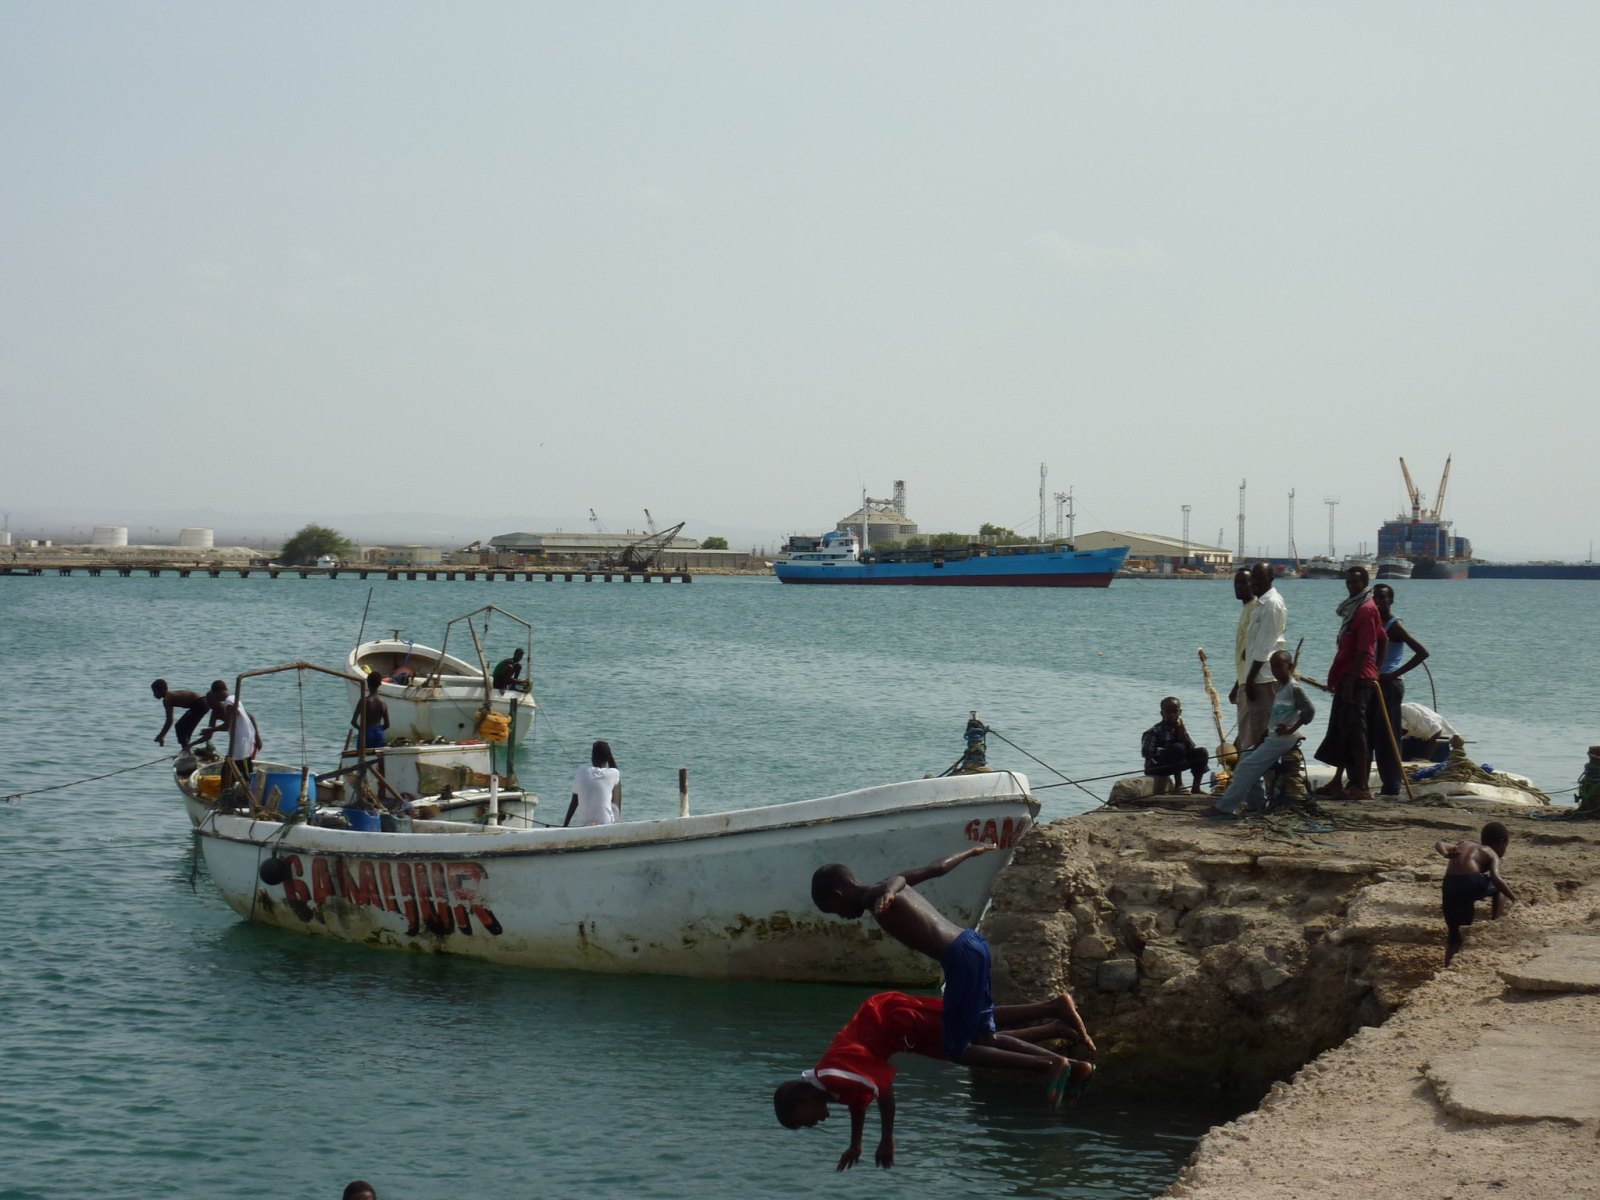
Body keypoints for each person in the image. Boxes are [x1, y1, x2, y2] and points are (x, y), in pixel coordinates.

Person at [809, 847, 1091, 1103]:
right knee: (984, 1036)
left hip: (958, 956)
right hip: (974, 943)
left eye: (834, 911)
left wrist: (891, 893)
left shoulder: (876, 896)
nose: (842, 916)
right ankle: (1071, 1061)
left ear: (838, 896)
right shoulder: (881, 887)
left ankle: (1049, 1065)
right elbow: (937, 867)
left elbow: (898, 882)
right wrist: (971, 851)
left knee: (958, 1049)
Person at [773, 990, 1096, 1170]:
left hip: (893, 1020)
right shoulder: (831, 1087)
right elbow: (858, 1102)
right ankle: (1063, 1055)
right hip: (895, 1029)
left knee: (967, 1040)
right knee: (976, 1038)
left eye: (802, 1122)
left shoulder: (832, 1074)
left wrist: (887, 1139)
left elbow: (883, 1089)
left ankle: (1052, 1019)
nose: (810, 1125)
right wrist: (856, 1143)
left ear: (801, 1101)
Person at [1201, 650, 1316, 818]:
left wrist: (1290, 729)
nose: (1275, 670)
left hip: (1284, 739)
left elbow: (1309, 711)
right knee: (1246, 759)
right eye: (1273, 667)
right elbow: (1278, 716)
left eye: (1279, 666)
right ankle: (1256, 806)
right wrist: (1264, 735)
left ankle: (1224, 808)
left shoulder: (1294, 688)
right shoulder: (1280, 687)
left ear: (1289, 666)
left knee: (1247, 767)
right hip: (1272, 736)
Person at [1313, 565, 1382, 802]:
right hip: (1347, 677)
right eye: (1348, 582)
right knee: (1342, 731)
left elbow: (1365, 649)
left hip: (1358, 680)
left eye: (1356, 582)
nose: (1351, 586)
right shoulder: (1353, 609)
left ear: (1365, 582)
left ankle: (1361, 786)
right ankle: (1337, 782)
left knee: (1357, 733)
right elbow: (1381, 638)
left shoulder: (1366, 610)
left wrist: (1357, 679)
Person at [1367, 584, 1429, 797]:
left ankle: (1392, 785)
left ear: (1390, 600)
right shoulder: (1374, 622)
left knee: (1388, 736)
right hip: (1373, 683)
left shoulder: (1395, 626)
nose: (1377, 601)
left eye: (1382, 598)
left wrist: (1394, 673)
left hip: (1389, 685)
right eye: (1375, 597)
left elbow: (1422, 652)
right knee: (1371, 734)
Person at [1434, 822, 1516, 965]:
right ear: (1500, 843)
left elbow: (1439, 843)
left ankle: (1448, 967)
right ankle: (1495, 922)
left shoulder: (1463, 843)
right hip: (1470, 881)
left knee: (1455, 934)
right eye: (1506, 847)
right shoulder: (1491, 852)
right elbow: (1497, 879)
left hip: (1450, 885)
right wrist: (1515, 899)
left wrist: (1445, 853)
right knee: (1498, 890)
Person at [1236, 561, 1288, 750]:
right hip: (1256, 676)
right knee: (1254, 733)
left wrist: (1250, 679)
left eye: (1260, 578)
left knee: (1262, 734)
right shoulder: (1260, 603)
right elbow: (1252, 645)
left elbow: (1264, 647)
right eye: (1254, 578)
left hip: (1263, 678)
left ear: (1271, 579)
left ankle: (1269, 778)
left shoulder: (1272, 604)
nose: (1254, 583)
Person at [194, 680, 262, 788]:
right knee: (227, 772)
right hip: (239, 742)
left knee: (243, 774)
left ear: (217, 693)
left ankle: (245, 794)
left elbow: (228, 725)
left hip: (242, 744)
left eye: (214, 697)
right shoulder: (233, 699)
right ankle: (228, 794)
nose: (214, 701)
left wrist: (210, 730)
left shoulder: (229, 704)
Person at [1140, 697, 1209, 794]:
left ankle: (1196, 787)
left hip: (1175, 764)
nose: (1172, 715)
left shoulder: (1179, 728)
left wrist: (1184, 736)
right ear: (1162, 713)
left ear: (1180, 712)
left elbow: (1191, 747)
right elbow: (1146, 752)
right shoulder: (1154, 731)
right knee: (1178, 747)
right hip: (1156, 767)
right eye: (1168, 712)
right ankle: (1179, 785)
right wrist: (1168, 751)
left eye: (1175, 712)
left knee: (1202, 752)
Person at [1227, 568, 1256, 745]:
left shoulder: (1255, 609)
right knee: (1246, 733)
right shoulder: (1247, 608)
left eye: (1243, 582)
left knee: (1247, 736)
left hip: (1251, 683)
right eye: (1236, 582)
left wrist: (1243, 684)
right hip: (1244, 681)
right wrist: (1237, 684)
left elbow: (1253, 654)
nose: (1238, 587)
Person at [563, 739, 621, 826]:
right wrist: (610, 754)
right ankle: (616, 823)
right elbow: (616, 771)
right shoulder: (613, 773)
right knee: (617, 783)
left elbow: (574, 802)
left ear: (592, 757)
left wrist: (565, 825)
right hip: (605, 823)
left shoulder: (581, 770)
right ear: (608, 758)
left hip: (583, 824)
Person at [151, 680, 211, 751]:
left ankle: (186, 750)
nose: (154, 694)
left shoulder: (167, 699)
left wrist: (161, 736)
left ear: (161, 690)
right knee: (183, 728)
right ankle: (187, 749)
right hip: (203, 703)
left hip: (200, 703)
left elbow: (169, 720)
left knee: (180, 727)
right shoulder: (169, 695)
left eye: (155, 692)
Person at [1400, 702, 1465, 762]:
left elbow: (1437, 730)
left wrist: (1426, 758)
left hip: (1436, 737)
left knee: (1455, 740)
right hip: (1417, 735)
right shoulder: (1395, 715)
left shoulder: (1410, 714)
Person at [351, 671, 389, 750]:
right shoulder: (383, 703)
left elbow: (354, 722)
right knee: (380, 759)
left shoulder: (363, 701)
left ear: (367, 683)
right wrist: (379, 729)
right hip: (379, 734)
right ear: (380, 684)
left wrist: (362, 729)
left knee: (363, 757)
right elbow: (387, 724)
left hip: (366, 733)